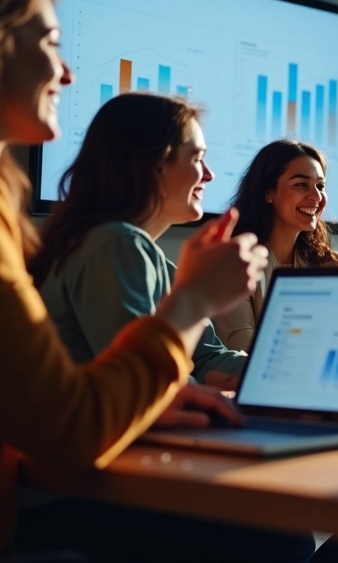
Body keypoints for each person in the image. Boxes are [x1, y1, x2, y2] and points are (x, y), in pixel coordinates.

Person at [0, 0, 304, 562]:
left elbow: (184, 366)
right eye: (48, 43)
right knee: (278, 540)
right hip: (44, 514)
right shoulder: (102, 244)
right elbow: (79, 424)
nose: (67, 72)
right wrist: (193, 300)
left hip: (34, 497)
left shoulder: (44, 225)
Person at [31, 94, 248, 389]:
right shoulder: (114, 244)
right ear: (156, 167)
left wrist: (275, 368)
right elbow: (144, 379)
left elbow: (207, 358)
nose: (208, 175)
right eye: (197, 158)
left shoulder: (142, 253)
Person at [215, 139, 338, 352]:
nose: (317, 196)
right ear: (268, 193)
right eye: (301, 184)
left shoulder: (329, 263)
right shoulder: (234, 262)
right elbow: (242, 348)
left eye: (320, 186)